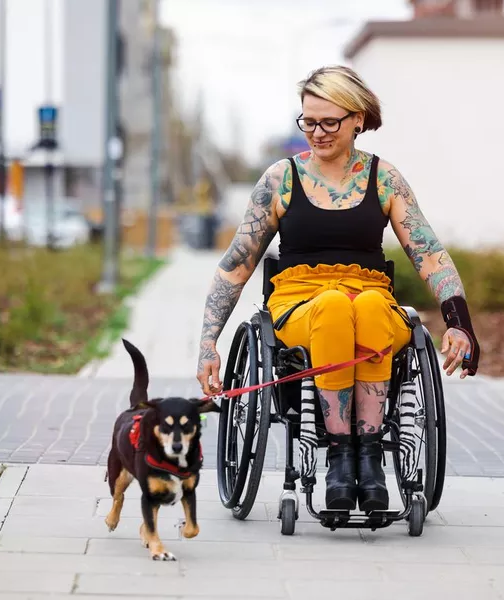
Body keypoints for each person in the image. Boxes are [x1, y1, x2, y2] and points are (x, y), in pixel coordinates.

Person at [196, 65, 480, 512]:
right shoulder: (281, 179)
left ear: (358, 120)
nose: (317, 132)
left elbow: (430, 254)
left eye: (329, 122)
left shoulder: (385, 179)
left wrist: (459, 324)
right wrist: (208, 344)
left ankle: (368, 458)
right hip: (299, 303)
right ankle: (340, 455)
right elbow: (236, 266)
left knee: (366, 305)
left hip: (370, 295)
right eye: (308, 121)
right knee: (332, 304)